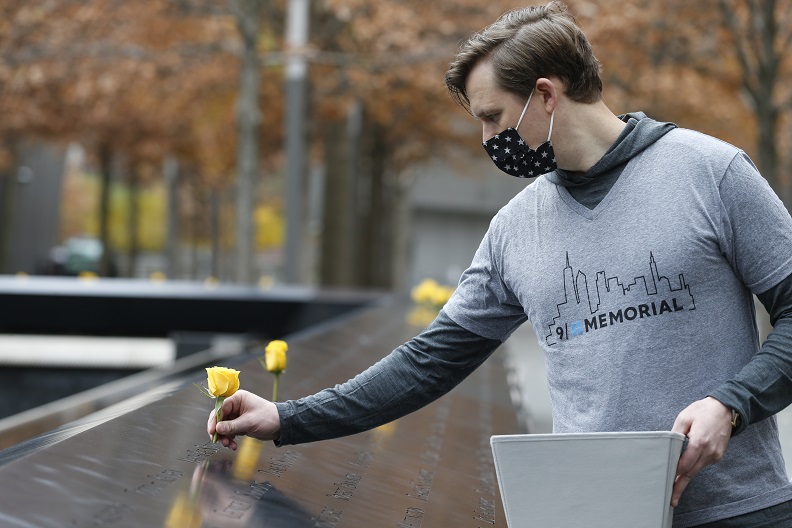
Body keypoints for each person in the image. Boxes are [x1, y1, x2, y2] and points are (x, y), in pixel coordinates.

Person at [209, 2, 792, 526]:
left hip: (742, 512)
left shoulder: (711, 173)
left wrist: (730, 406)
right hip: (591, 514)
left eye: (492, 117)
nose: (487, 137)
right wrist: (288, 418)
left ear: (546, 95)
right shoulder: (514, 229)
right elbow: (429, 361)